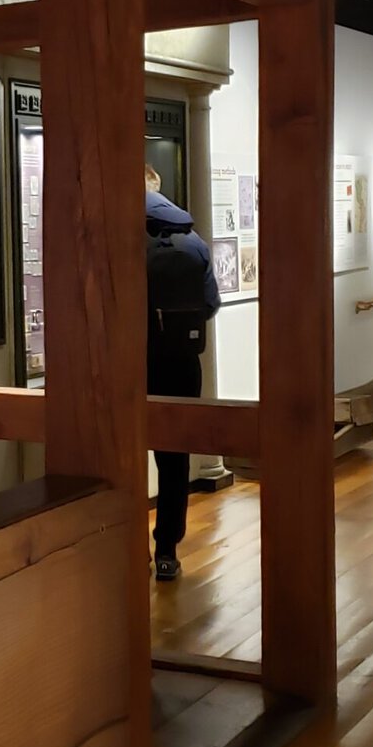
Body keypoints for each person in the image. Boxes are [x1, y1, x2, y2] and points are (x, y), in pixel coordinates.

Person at [144, 164, 221, 581]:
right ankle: (167, 552)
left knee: (123, 454)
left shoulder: (123, 238)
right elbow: (210, 303)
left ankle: (126, 546)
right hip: (183, 361)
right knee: (174, 459)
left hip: (132, 361)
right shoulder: (194, 241)